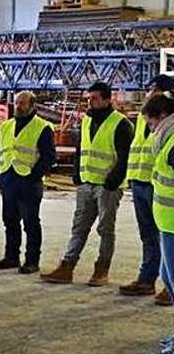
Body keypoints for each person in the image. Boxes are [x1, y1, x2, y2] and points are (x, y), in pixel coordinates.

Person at [41, 81, 134, 286]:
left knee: (105, 229)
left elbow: (125, 157)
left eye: (94, 98)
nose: (90, 102)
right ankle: (67, 266)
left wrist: (113, 181)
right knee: (79, 227)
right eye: (88, 98)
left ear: (107, 99)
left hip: (107, 187)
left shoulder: (121, 123)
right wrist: (77, 175)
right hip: (86, 184)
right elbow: (81, 149)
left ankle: (101, 270)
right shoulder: (86, 121)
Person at [120, 75, 174, 297]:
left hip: (167, 210)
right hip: (144, 185)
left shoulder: (169, 137)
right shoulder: (158, 130)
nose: (150, 92)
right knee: (154, 247)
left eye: (155, 89)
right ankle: (148, 279)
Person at [0, 91, 57, 274]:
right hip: (8, 178)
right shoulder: (6, 126)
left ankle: (32, 260)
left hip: (29, 182)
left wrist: (34, 176)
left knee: (30, 222)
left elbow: (49, 157)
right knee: (10, 220)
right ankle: (11, 256)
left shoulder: (42, 127)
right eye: (17, 102)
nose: (18, 106)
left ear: (32, 105)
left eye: (22, 103)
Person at [136, 93, 174, 354]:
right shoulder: (168, 140)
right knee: (167, 278)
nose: (150, 130)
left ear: (162, 117)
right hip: (167, 223)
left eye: (150, 124)